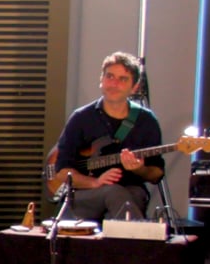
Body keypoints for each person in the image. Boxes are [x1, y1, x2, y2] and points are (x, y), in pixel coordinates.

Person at [49, 51, 165, 222]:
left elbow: (156, 174)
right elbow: (61, 172)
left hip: (131, 191)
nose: (114, 84)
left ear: (134, 87)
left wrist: (139, 169)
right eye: (109, 76)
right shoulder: (81, 118)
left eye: (122, 79)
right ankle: (139, 243)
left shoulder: (146, 121)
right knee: (113, 191)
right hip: (85, 195)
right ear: (101, 80)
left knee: (126, 197)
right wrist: (95, 183)